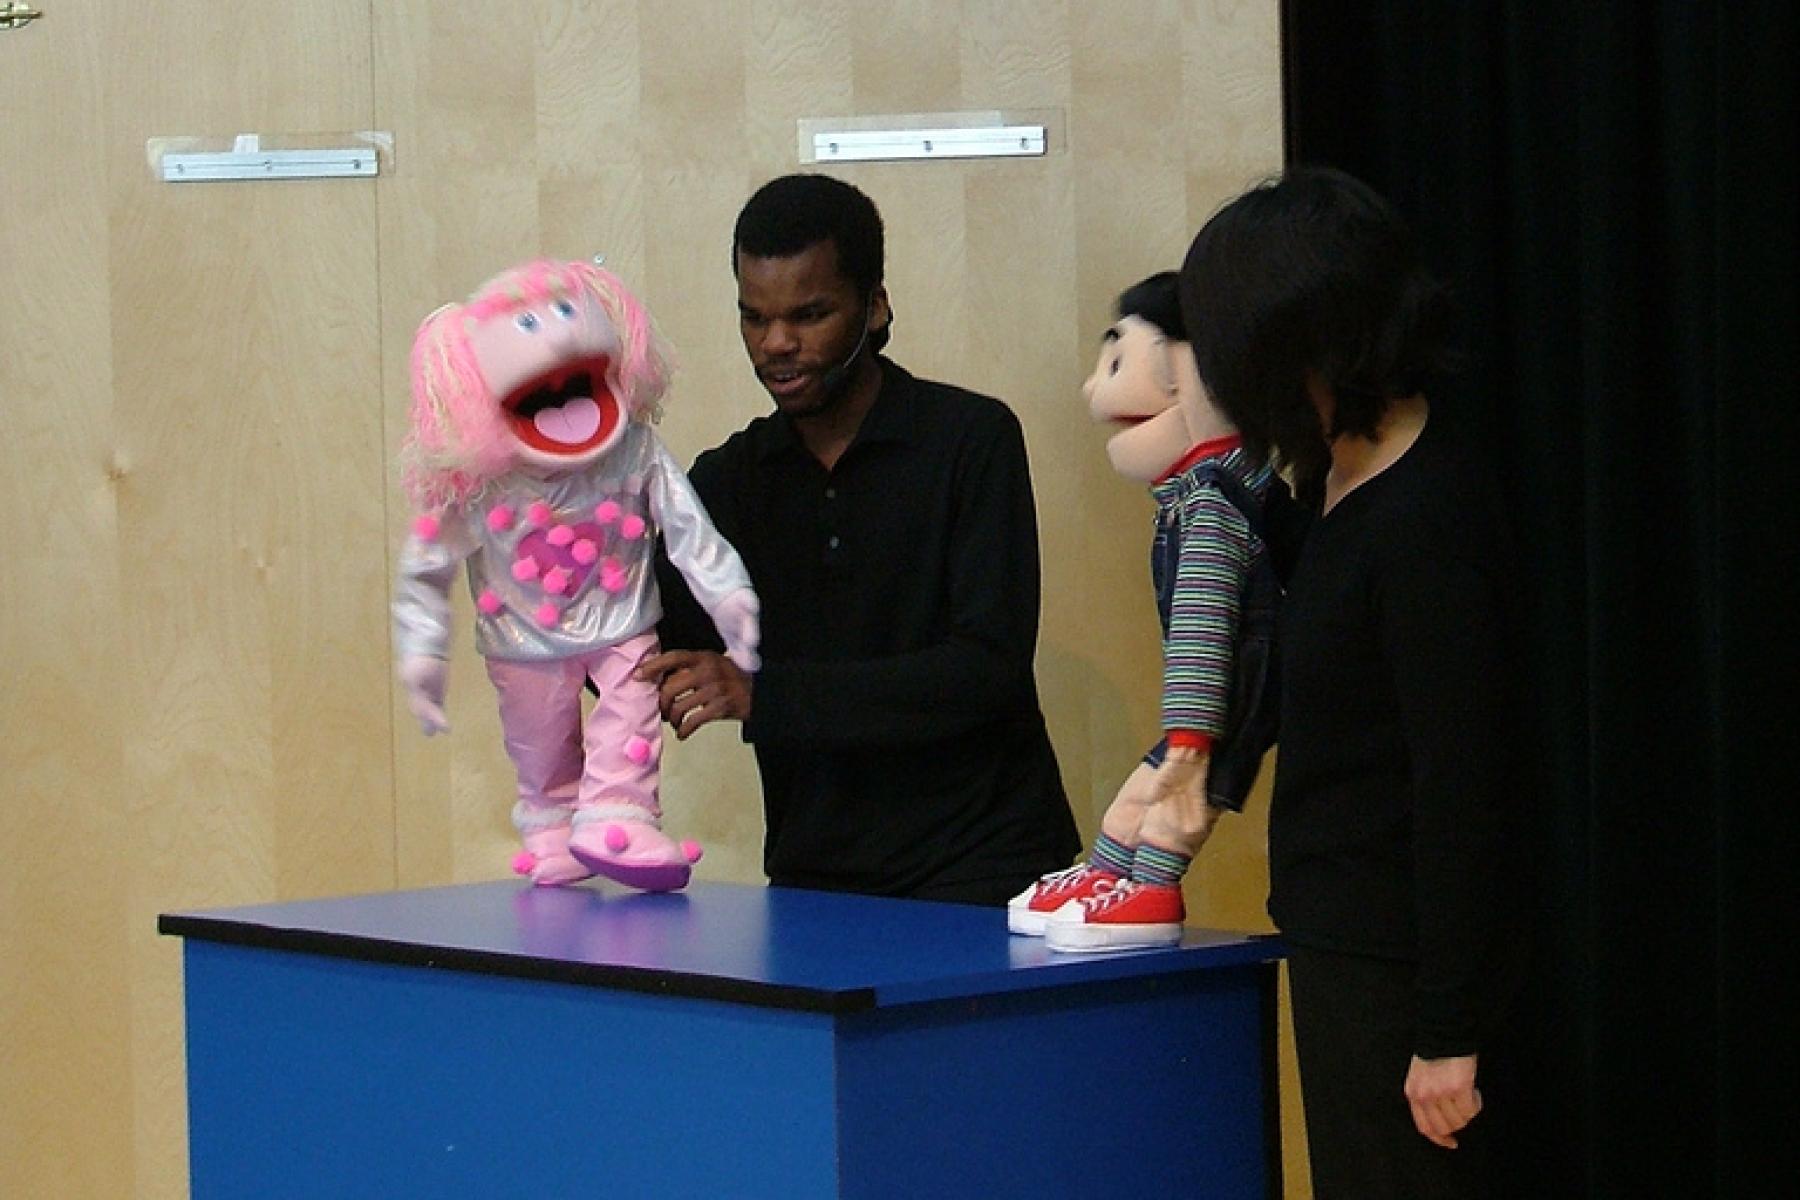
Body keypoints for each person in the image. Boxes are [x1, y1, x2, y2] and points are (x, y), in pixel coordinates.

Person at [1178, 168, 1523, 1197]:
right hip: (1339, 947)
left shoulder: (1428, 524)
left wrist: (1448, 1035)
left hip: (1401, 978)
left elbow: (1466, 789)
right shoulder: (1337, 484)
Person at [637, 173, 1081, 904]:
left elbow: (986, 667)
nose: (777, 344)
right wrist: (565, 557)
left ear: (875, 307)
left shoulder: (970, 440)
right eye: (754, 317)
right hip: (817, 879)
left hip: (989, 865)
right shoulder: (727, 479)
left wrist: (763, 695)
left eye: (810, 314)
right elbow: (646, 658)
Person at [1008, 271, 1298, 951]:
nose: (1094, 389)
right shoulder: (1197, 495)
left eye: (1117, 363)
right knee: (1153, 777)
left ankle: (1154, 888)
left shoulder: (1211, 507)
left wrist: (1194, 736)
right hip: (1214, 699)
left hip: (1233, 692)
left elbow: (1203, 631)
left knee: (1179, 788)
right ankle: (1112, 872)